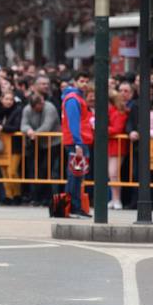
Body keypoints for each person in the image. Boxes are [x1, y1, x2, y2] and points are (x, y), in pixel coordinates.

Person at [61, 72, 94, 218]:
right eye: (82, 81)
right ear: (75, 82)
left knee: (76, 175)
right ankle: (72, 207)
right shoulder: (74, 99)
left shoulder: (75, 98)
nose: (85, 84)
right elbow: (74, 123)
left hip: (79, 140)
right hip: (78, 142)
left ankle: (72, 206)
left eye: (86, 81)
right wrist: (78, 143)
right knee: (75, 176)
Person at [20, 92, 61, 206]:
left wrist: (34, 133)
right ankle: (37, 197)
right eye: (38, 105)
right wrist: (28, 130)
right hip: (37, 143)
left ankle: (50, 197)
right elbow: (23, 125)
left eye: (42, 103)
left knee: (48, 170)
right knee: (36, 170)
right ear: (33, 106)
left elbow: (47, 126)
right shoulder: (27, 109)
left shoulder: (50, 108)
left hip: (53, 143)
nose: (41, 106)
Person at [107, 90, 129, 210]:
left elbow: (117, 129)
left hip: (117, 145)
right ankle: (114, 198)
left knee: (113, 173)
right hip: (111, 145)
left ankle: (117, 199)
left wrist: (101, 128)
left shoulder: (118, 113)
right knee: (112, 174)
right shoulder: (112, 112)